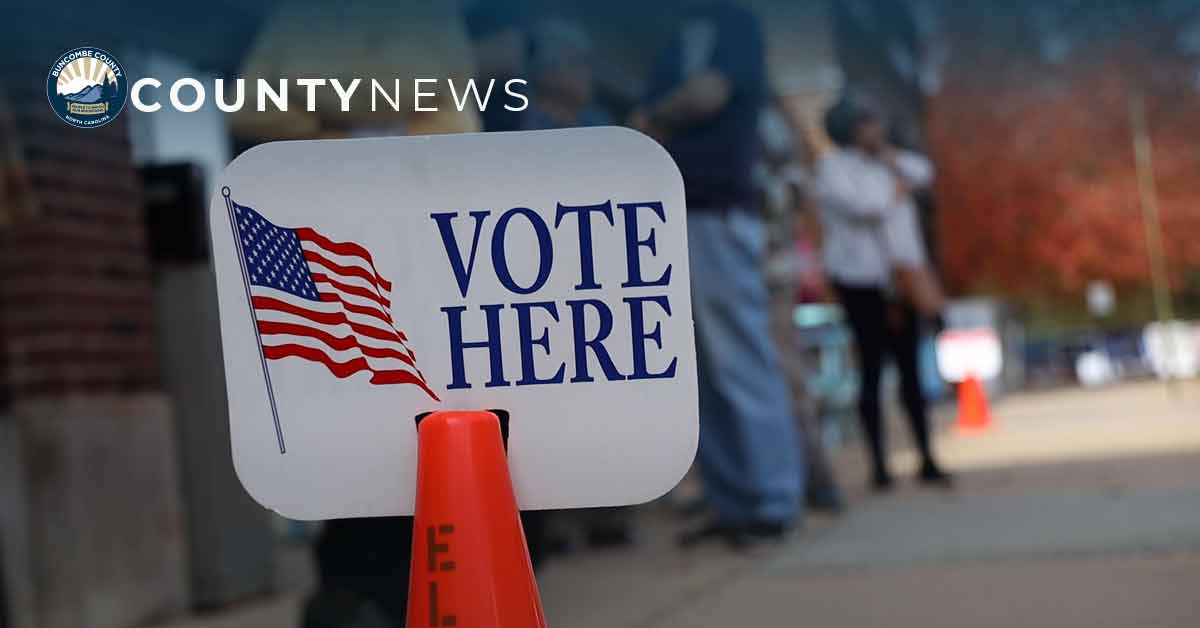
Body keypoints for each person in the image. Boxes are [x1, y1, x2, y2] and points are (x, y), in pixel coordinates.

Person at [634, 1, 804, 548]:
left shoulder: (734, 24)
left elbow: (710, 92)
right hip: (672, 208)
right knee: (702, 371)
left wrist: (653, 120)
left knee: (739, 356)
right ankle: (732, 501)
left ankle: (773, 498)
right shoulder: (672, 35)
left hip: (716, 208)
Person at [814, 95, 951, 491]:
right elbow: (866, 207)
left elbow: (923, 172)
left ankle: (926, 456)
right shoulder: (832, 169)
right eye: (866, 123)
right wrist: (896, 187)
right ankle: (879, 465)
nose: (875, 130)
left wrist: (891, 164)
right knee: (870, 371)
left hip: (903, 278)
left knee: (911, 368)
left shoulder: (891, 163)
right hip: (860, 281)